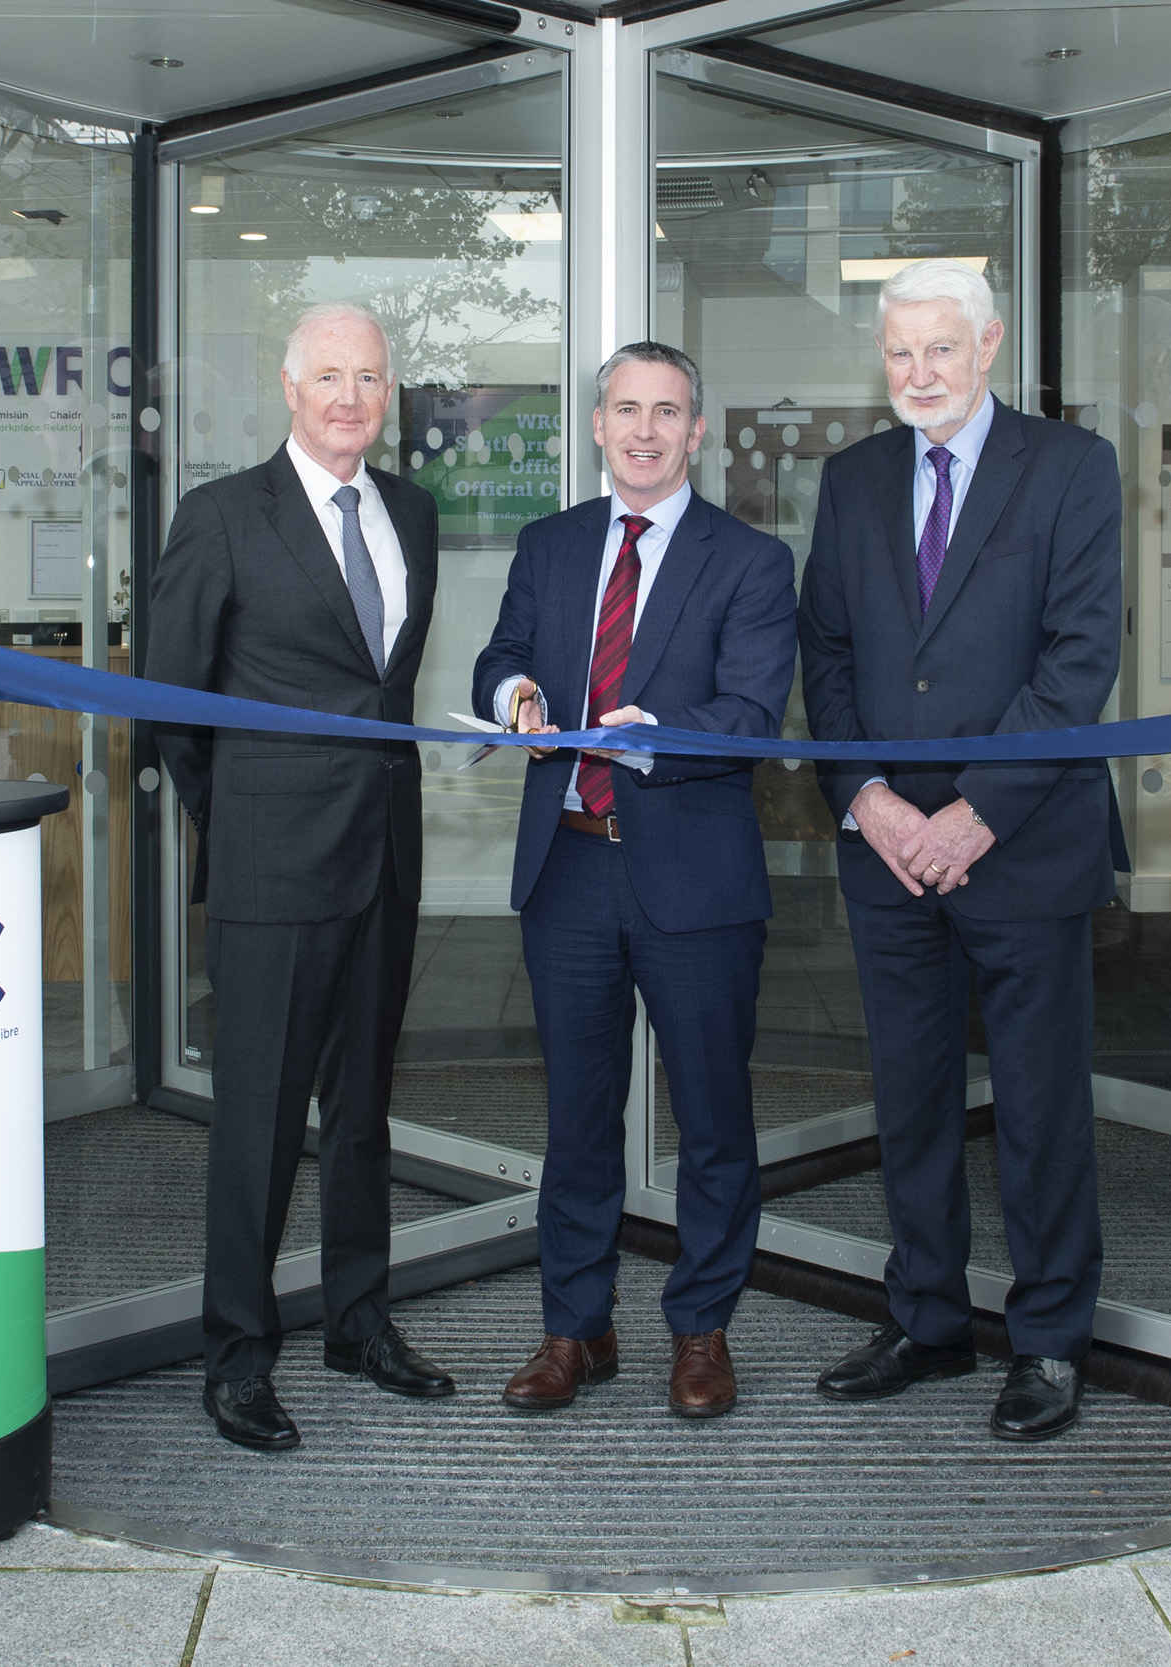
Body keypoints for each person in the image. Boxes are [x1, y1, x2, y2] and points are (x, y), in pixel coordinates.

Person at [798, 257, 1125, 1443]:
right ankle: (926, 1316)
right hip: (888, 851)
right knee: (913, 1097)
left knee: (1040, 1105)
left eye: (941, 349)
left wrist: (977, 810)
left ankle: (1047, 1337)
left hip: (1022, 841)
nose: (919, 373)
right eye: (899, 353)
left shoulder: (1073, 468)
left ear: (989, 347)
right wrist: (871, 797)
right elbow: (825, 656)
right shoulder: (851, 479)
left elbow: (1081, 659)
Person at [148, 302, 454, 1452]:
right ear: (289, 386)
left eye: (368, 378)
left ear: (389, 394)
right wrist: (238, 827)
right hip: (271, 868)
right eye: (327, 375)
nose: (348, 398)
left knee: (363, 1112)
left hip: (382, 855)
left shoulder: (410, 513)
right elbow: (172, 706)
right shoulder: (223, 516)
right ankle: (238, 1352)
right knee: (261, 1122)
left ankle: (358, 1317)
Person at [472, 343, 796, 1420]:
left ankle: (700, 1327)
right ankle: (577, 1327)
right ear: (598, 426)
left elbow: (751, 718)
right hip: (567, 863)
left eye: (668, 412)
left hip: (694, 877)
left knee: (711, 1117)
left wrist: (656, 736)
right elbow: (500, 654)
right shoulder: (552, 544)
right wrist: (518, 694)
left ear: (697, 432)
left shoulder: (750, 561)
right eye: (626, 410)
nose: (646, 430)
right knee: (577, 1113)